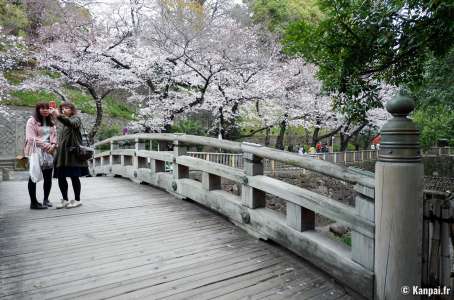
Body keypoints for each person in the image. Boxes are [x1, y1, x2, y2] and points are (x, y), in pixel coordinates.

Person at [50, 102, 89, 209]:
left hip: (72, 155)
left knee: (74, 177)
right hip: (62, 154)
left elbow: (71, 123)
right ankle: (65, 200)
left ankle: (77, 200)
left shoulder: (76, 119)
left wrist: (58, 115)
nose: (64, 110)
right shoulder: (63, 123)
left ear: (72, 109)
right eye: (62, 109)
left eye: (67, 108)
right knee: (61, 177)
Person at [24, 102, 58, 209]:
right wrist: (46, 146)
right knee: (33, 176)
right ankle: (33, 202)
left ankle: (46, 199)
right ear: (38, 109)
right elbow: (30, 138)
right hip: (35, 151)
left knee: (48, 177)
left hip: (49, 152)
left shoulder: (51, 121)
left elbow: (54, 136)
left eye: (47, 108)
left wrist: (53, 145)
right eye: (42, 108)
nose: (45, 110)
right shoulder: (32, 121)